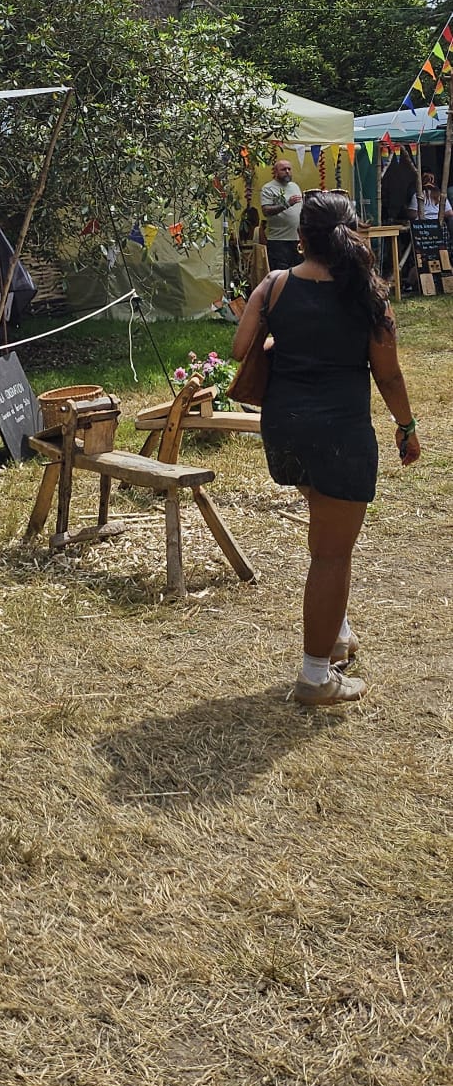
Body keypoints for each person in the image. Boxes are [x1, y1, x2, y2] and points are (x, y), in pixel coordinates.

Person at [231, 190, 420, 706]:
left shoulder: (273, 286)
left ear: (301, 240)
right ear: (351, 234)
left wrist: (282, 340)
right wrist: (406, 426)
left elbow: (242, 348)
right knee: (332, 554)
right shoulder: (368, 297)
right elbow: (389, 375)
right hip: (340, 436)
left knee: (325, 540)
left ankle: (336, 634)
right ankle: (316, 677)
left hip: (285, 431)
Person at [259, 156, 303, 270]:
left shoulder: (295, 187)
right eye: (283, 169)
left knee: (297, 274)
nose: (287, 171)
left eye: (289, 169)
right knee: (280, 275)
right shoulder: (268, 188)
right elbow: (266, 211)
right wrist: (287, 204)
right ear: (275, 172)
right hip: (278, 241)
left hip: (297, 240)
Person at [408, 170, 453, 234]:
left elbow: (413, 215)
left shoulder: (417, 195)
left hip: (423, 228)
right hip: (438, 226)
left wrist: (407, 212)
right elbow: (450, 213)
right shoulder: (441, 195)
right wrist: (437, 214)